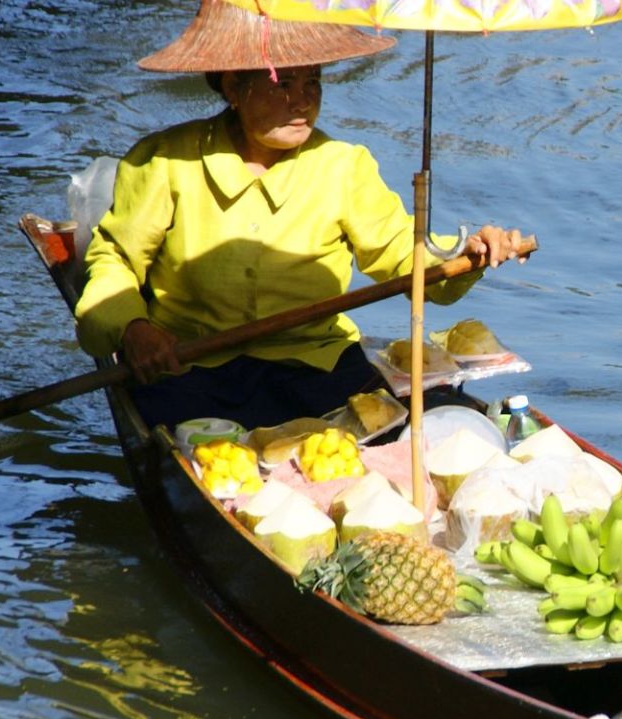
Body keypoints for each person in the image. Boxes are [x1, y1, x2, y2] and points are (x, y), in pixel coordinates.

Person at [74, 0, 528, 430]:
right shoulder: (164, 161)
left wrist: (467, 256)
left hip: (316, 364)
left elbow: (403, 258)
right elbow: (114, 261)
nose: (303, 101)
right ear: (234, 87)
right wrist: (134, 329)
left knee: (407, 422)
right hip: (193, 365)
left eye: (313, 82)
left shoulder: (343, 165)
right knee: (185, 431)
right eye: (283, 84)